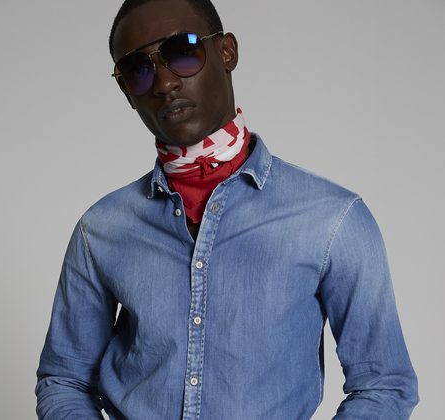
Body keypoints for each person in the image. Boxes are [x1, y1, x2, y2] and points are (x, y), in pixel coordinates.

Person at [36, 0, 419, 418]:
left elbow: (384, 384)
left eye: (182, 51)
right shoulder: (101, 230)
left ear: (227, 52)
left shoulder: (333, 219)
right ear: (127, 92)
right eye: (138, 70)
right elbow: (64, 380)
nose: (164, 83)